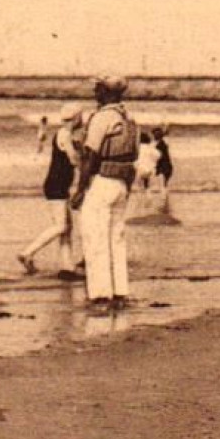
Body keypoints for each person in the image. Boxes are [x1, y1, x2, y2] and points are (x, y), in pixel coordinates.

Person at [72, 76, 139, 310]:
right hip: (122, 181)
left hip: (103, 180)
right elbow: (134, 154)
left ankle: (101, 295)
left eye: (98, 89)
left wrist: (80, 189)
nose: (95, 92)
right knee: (116, 238)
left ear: (107, 93)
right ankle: (120, 292)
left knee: (95, 237)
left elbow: (90, 155)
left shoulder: (102, 118)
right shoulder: (128, 118)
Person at [18, 104, 84, 276]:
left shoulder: (64, 134)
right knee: (61, 226)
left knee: (67, 228)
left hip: (58, 184)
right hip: (57, 184)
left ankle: (67, 266)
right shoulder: (64, 135)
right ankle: (27, 252)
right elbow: (73, 160)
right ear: (77, 118)